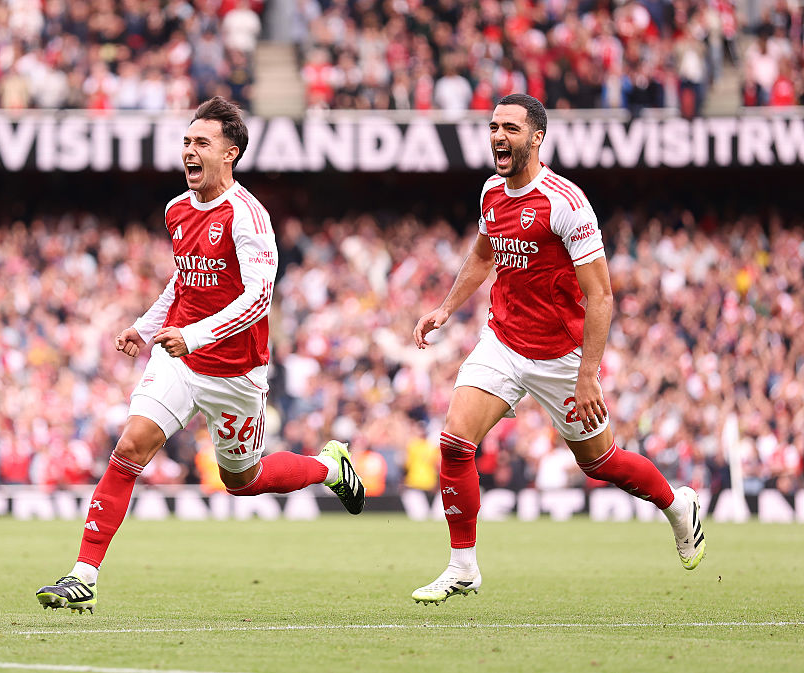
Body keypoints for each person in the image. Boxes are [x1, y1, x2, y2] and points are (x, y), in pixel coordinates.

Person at [36, 96, 365, 613]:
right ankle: (83, 574)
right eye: (187, 141)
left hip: (235, 371)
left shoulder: (248, 217)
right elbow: (184, 279)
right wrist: (147, 328)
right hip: (179, 360)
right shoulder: (177, 210)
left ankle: (329, 468)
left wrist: (195, 335)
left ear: (230, 154)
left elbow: (259, 299)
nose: (189, 151)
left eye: (201, 143)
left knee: (243, 480)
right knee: (129, 447)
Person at [409, 93, 706, 606]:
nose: (499, 136)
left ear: (537, 138)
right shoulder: (491, 192)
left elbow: (601, 294)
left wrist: (588, 374)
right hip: (502, 340)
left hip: (561, 358)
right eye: (494, 126)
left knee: (601, 462)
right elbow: (482, 257)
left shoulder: (566, 202)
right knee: (455, 441)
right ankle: (463, 567)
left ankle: (676, 504)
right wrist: (446, 308)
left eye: (511, 128)